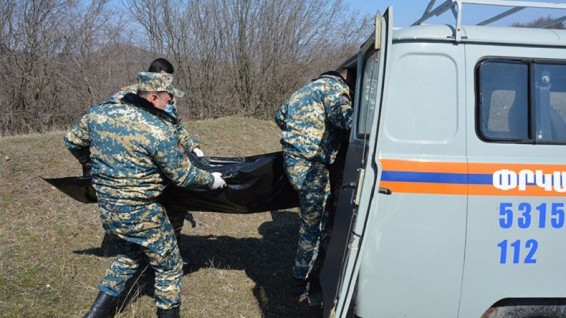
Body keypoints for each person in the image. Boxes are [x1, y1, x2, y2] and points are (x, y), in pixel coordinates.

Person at [65, 72, 226, 318]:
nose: (170, 104)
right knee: (169, 268)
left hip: (109, 209)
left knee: (130, 254)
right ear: (153, 97)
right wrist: (211, 180)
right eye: (168, 99)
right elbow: (183, 176)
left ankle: (96, 314)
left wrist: (93, 167)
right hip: (141, 211)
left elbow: (72, 141)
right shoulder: (155, 129)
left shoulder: (99, 114)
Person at [102, 58, 201, 261]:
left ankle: (172, 250)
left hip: (167, 157)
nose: (168, 84)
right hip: (142, 160)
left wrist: (193, 146)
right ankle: (140, 254)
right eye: (165, 78)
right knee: (149, 208)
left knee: (176, 204)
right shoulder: (127, 95)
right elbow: (106, 119)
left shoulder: (168, 95)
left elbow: (177, 126)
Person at [274, 69, 353, 299]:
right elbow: (347, 120)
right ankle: (301, 281)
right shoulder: (336, 89)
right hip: (312, 166)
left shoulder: (302, 90)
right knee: (314, 225)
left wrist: (299, 135)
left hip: (293, 161)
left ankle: (310, 271)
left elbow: (279, 116)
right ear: (343, 79)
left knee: (315, 219)